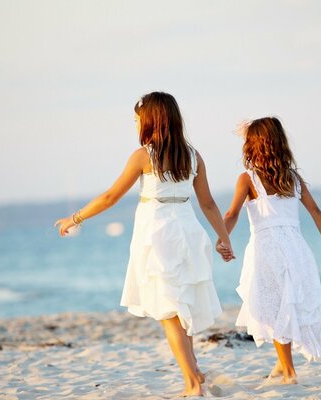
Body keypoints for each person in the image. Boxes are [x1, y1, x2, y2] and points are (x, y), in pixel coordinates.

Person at [55, 92, 234, 397]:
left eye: (138, 117)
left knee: (169, 312)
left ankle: (193, 384)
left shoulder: (143, 155)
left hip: (158, 233)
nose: (135, 122)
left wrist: (75, 217)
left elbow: (111, 197)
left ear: (151, 120)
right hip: (188, 230)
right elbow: (208, 203)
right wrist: (224, 238)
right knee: (180, 308)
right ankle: (195, 375)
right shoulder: (193, 156)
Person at [219, 116, 321, 385]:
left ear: (252, 146)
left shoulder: (248, 179)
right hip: (296, 248)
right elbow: (316, 211)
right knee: (286, 304)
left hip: (267, 249)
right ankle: (281, 364)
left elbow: (231, 213)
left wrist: (222, 237)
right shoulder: (293, 178)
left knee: (273, 309)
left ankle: (289, 372)